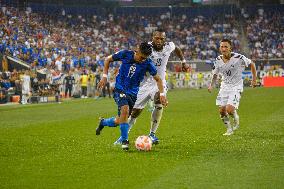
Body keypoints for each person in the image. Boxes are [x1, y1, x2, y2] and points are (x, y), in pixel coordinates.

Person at [114, 29, 189, 145]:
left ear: (165, 40)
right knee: (134, 112)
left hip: (159, 81)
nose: (159, 41)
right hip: (144, 83)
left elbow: (177, 49)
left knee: (159, 99)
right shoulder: (145, 48)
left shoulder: (169, 46)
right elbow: (135, 56)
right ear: (152, 38)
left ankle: (152, 134)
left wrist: (183, 61)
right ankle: (123, 137)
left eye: (162, 39)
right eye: (156, 38)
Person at [95, 42, 168, 150]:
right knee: (125, 109)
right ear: (137, 50)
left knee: (121, 120)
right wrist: (104, 76)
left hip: (133, 94)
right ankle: (125, 141)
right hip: (119, 88)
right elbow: (107, 59)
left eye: (145, 58)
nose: (143, 60)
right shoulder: (125, 54)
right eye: (142, 57)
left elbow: (158, 79)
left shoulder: (147, 63)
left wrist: (162, 94)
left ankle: (103, 122)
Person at [208, 39, 257, 135]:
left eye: (226, 46)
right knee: (222, 111)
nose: (224, 48)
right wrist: (211, 85)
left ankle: (235, 117)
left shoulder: (239, 57)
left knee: (229, 109)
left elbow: (252, 64)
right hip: (224, 87)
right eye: (222, 46)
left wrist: (254, 79)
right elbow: (215, 74)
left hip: (236, 86)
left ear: (230, 48)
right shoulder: (218, 60)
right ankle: (229, 129)